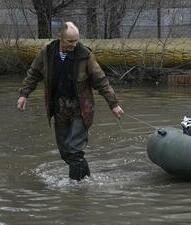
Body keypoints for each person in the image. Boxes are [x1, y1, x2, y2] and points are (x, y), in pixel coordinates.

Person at [17, 22, 124, 181]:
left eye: (76, 41)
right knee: (66, 153)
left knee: (74, 151)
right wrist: (24, 94)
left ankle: (74, 190)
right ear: (60, 38)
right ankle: (87, 179)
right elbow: (33, 73)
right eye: (70, 41)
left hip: (81, 109)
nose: (74, 44)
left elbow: (101, 81)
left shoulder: (85, 55)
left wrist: (113, 105)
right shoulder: (47, 53)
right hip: (59, 108)